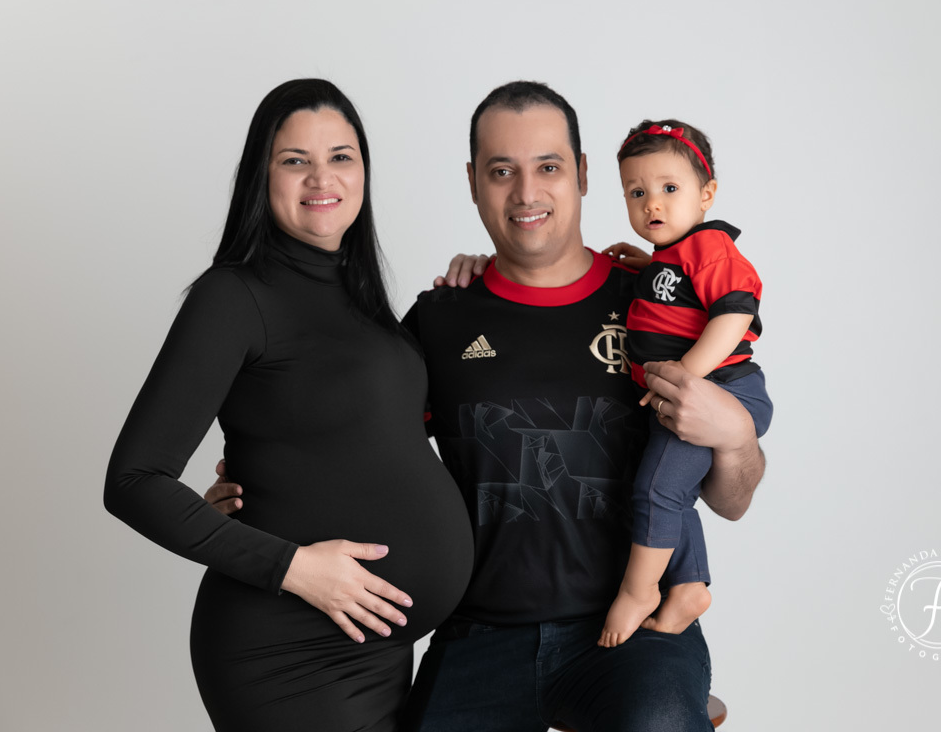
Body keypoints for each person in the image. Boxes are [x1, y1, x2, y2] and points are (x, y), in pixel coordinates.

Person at [207, 81, 766, 731]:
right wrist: (259, 499)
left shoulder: (654, 303)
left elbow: (730, 501)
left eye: (548, 167)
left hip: (636, 632)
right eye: (502, 171)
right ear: (473, 182)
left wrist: (737, 436)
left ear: (583, 175)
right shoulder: (437, 320)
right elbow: (353, 451)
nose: (526, 193)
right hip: (479, 638)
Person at [104, 79, 474, 732]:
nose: (321, 178)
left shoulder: (360, 297)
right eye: (295, 160)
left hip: (375, 646)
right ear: (262, 175)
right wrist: (293, 567)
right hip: (287, 653)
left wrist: (478, 284)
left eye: (340, 157)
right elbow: (133, 481)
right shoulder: (233, 296)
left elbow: (362, 438)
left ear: (363, 172)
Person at [599, 120, 773, 648]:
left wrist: (686, 376)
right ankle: (690, 585)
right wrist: (643, 267)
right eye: (636, 193)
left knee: (656, 490)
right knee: (668, 489)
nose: (652, 203)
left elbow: (734, 313)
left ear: (706, 194)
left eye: (669, 188)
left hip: (722, 389)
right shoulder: (672, 255)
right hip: (691, 391)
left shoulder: (711, 246)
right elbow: (675, 294)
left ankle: (638, 591)